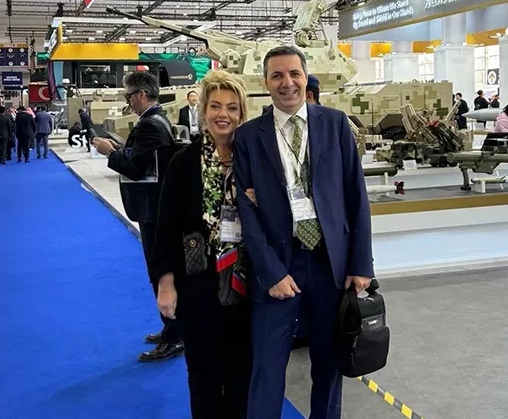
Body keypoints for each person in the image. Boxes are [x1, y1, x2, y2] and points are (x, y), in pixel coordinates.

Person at [233, 45, 373, 419]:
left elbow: (356, 196)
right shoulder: (248, 137)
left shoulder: (335, 124)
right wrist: (271, 272)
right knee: (267, 368)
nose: (287, 82)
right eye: (277, 75)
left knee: (328, 364)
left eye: (294, 73)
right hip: (279, 265)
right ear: (266, 82)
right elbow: (247, 213)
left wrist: (361, 264)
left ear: (306, 77)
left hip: (330, 265)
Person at [153, 71, 251, 419]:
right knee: (204, 376)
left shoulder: (254, 160)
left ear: (242, 113)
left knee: (242, 376)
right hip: (198, 283)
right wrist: (166, 285)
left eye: (232, 108)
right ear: (204, 111)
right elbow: (165, 227)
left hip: (246, 285)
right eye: (215, 106)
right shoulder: (183, 162)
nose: (223, 114)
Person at [91, 71, 184, 362]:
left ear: (141, 95)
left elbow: (135, 168)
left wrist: (109, 152)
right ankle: (171, 328)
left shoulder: (150, 126)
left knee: (161, 272)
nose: (128, 102)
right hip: (156, 207)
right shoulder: (157, 121)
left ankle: (174, 335)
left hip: (154, 209)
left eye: (129, 96)